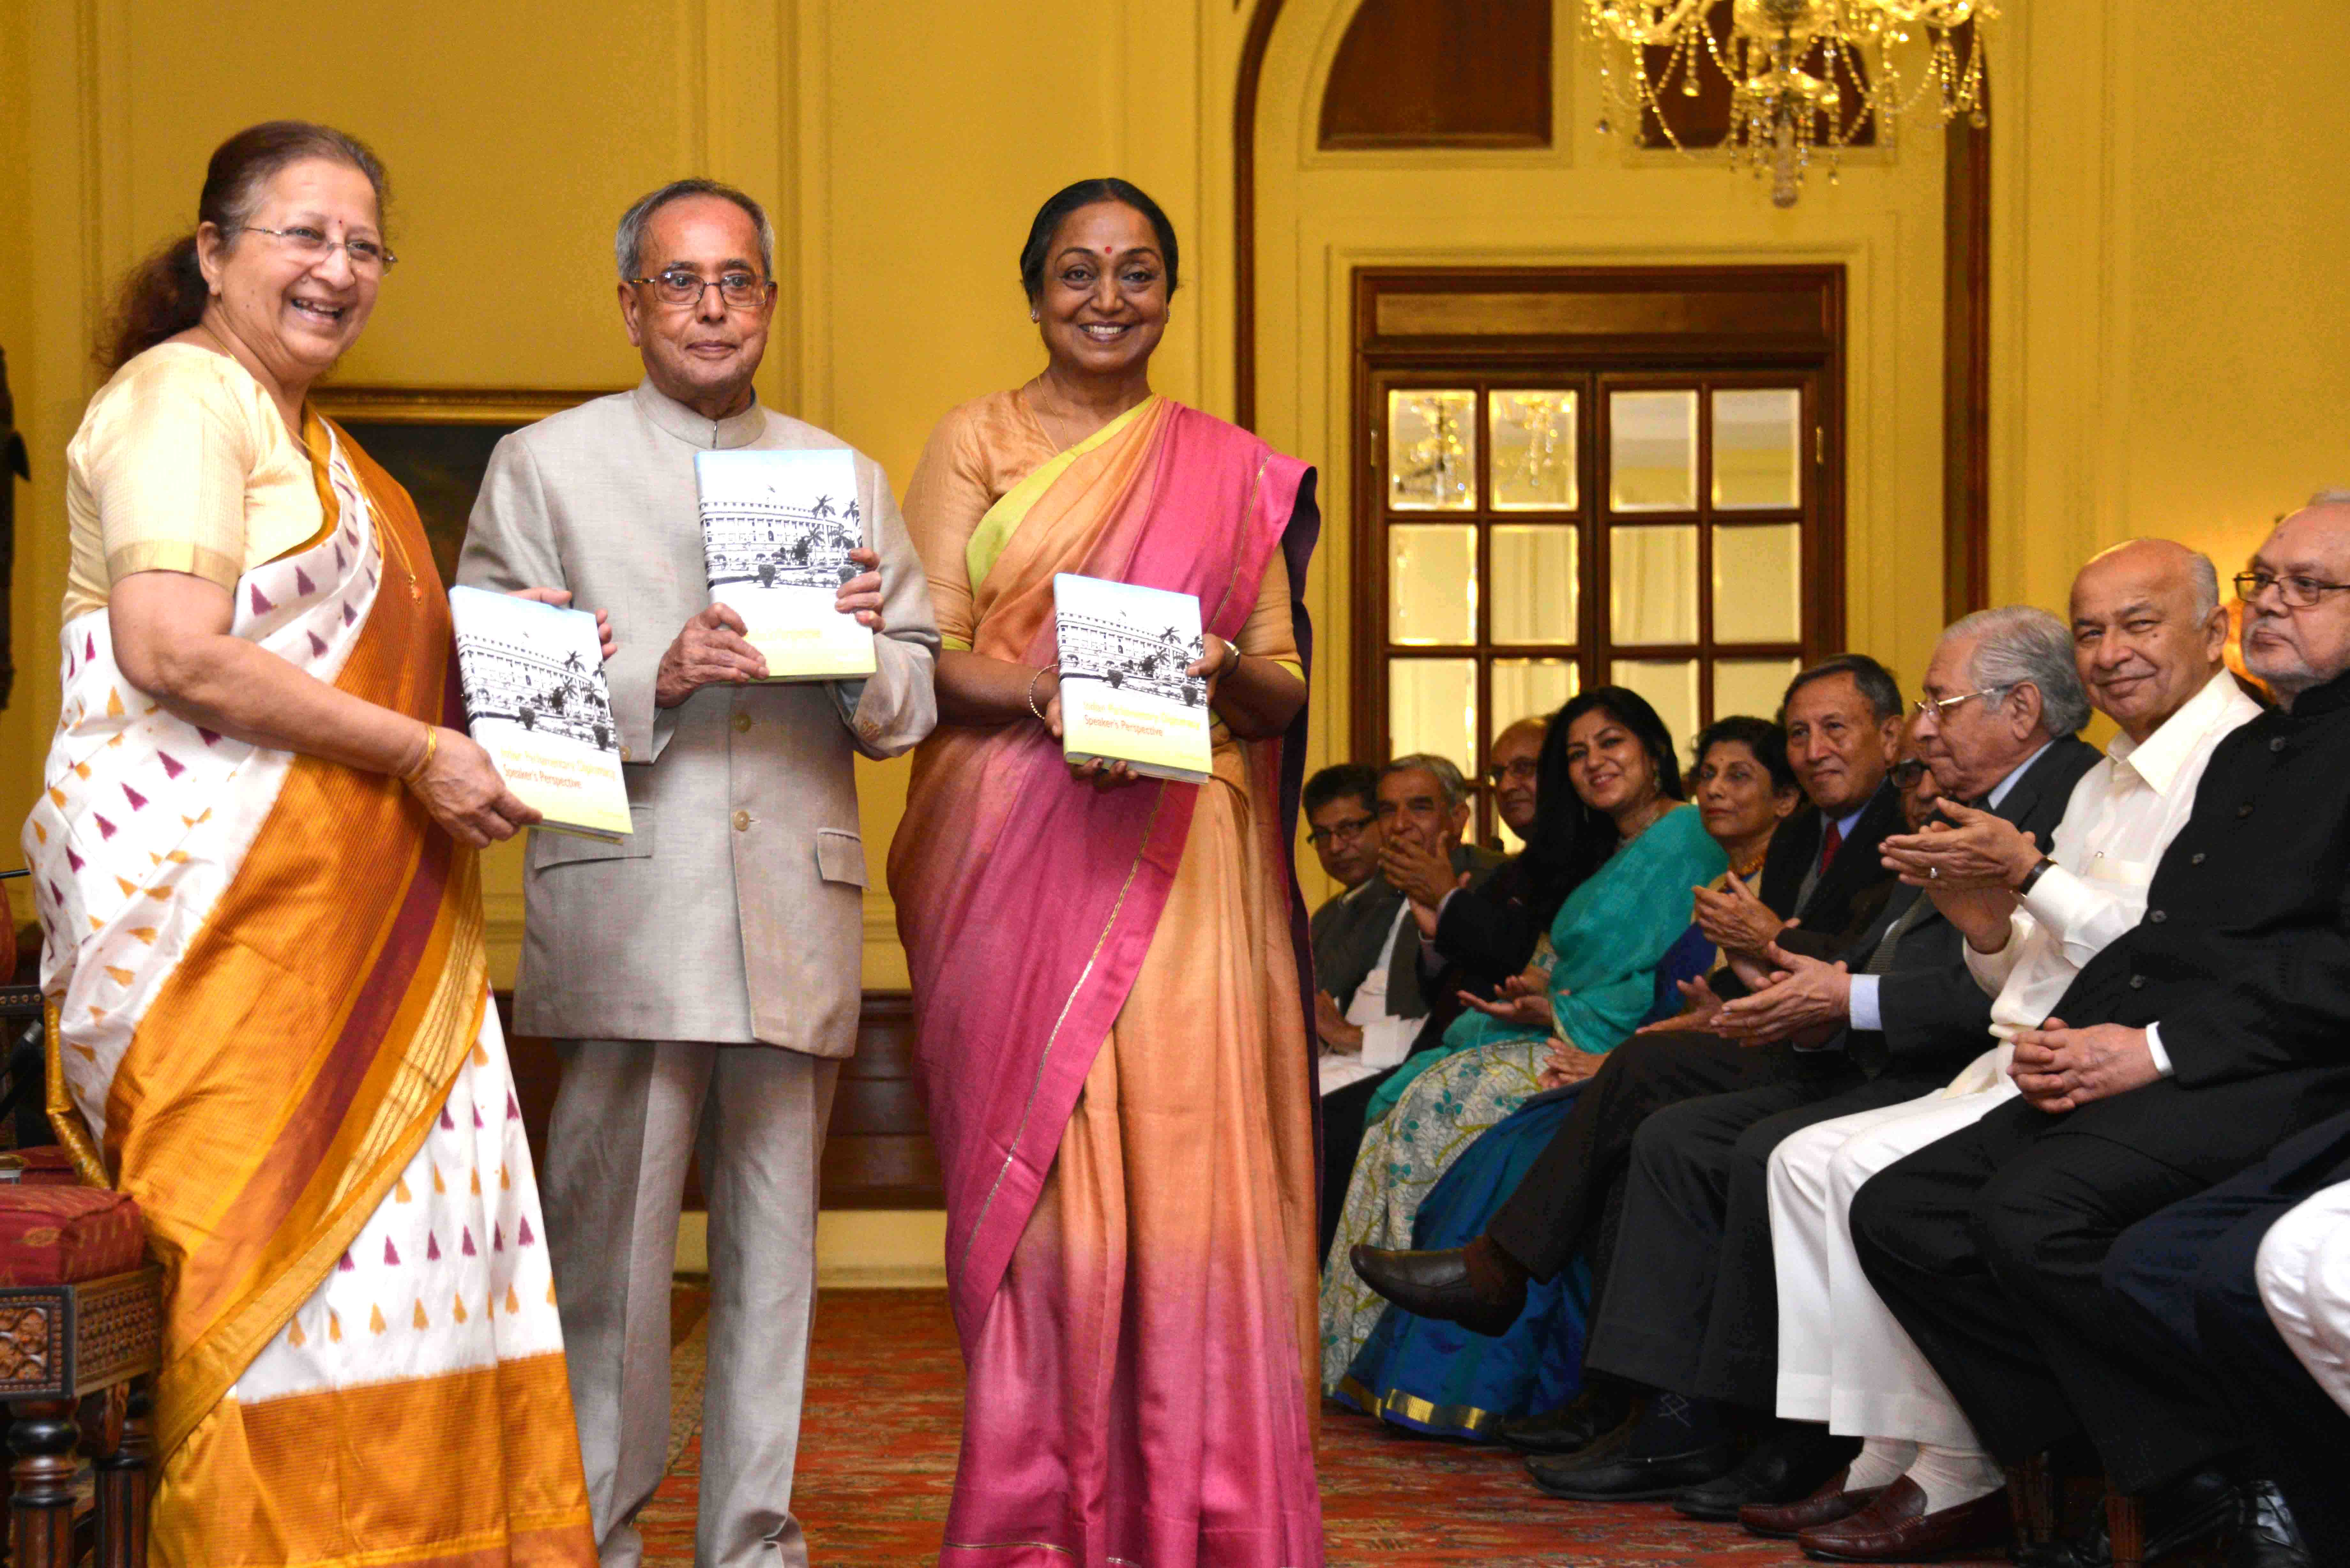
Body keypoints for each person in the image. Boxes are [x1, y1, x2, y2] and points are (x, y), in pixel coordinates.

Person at [18, 121, 595, 1568]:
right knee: (266, 1311)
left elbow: (360, 673)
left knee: (404, 1301)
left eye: (363, 245)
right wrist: (419, 747)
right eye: (301, 234)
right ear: (214, 250)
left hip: (368, 947)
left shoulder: (339, 463)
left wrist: (500, 659)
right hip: (227, 947)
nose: (336, 270)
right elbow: (171, 649)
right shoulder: (182, 401)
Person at [459, 177, 939, 1568]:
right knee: (609, 1261)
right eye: (680, 281)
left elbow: (908, 703)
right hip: (629, 901)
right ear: (630, 303)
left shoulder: (844, 474)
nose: (712, 306)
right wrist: (646, 675)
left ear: (771, 303)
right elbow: (504, 700)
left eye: (737, 281)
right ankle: (595, 1538)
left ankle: (752, 1544)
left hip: (795, 902)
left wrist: (864, 649)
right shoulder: (543, 466)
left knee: (776, 1265)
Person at [887, 178, 1323, 1566]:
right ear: (1033, 289)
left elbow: (1281, 685)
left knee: (1198, 1182)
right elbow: (931, 653)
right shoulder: (976, 439)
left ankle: (1205, 1512)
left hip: (1190, 857)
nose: (1107, 297)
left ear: (1170, 293)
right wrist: (1047, 702)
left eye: (1138, 272)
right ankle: (1042, 1517)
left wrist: (1217, 668)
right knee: (1054, 1179)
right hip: (1014, 837)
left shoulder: (1230, 466)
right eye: (1077, 272)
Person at [1847, 499, 2350, 1568]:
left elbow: (2330, 976)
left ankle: (2194, 1482)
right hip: (2178, 1041)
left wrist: (2153, 1049)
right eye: (2266, 578)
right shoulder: (2256, 746)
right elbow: (2170, 934)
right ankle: (2145, 1460)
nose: (2273, 603)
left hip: (2293, 1072)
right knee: (1903, 1211)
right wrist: (2072, 1029)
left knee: (2035, 1215)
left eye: (2310, 587)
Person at [1539, 609, 2104, 1516]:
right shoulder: (1969, 807)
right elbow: (1931, 955)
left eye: (1938, 705)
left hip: (1967, 1062)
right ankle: (1671, 1415)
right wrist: (1792, 992)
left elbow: (2009, 983)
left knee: (1766, 1146)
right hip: (1887, 1044)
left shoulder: (2069, 795)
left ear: (2022, 710)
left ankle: (1791, 1436)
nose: (1922, 729)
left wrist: (1829, 994)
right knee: (1677, 1132)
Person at [1758, 541, 2257, 1561]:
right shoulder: (2104, 779)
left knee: (1868, 1178)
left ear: (2215, 632)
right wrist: (1984, 917)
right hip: (2029, 1052)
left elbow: (2177, 955)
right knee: (1814, 1163)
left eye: (2138, 624)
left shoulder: (2238, 758)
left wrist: (2029, 872)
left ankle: (1974, 1462)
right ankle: (1886, 1452)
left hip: (2146, 1066)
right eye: (2092, 631)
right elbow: (2022, 976)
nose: (2110, 653)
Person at [1341, 653, 1918, 1457]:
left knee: (1608, 1105)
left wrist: (1713, 987)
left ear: (1891, 736)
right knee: (1590, 1105)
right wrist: (1697, 1006)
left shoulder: (1906, 821)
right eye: (1798, 732)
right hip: (1753, 1036)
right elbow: (1724, 974)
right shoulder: (1802, 838)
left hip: (1855, 1057)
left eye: (1833, 729)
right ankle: (1609, 1392)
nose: (1813, 749)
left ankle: (1513, 1286)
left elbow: (1843, 961)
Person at [1319, 688, 1726, 1386]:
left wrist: (1560, 1011)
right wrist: (1540, 995)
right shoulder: (1602, 852)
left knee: (1446, 1096)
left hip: (1627, 1041)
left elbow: (1657, 976)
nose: (1594, 762)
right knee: (1413, 1097)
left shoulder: (1689, 838)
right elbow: (1562, 962)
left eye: (1610, 743)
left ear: (1652, 750)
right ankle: (1356, 1345)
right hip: (1566, 1023)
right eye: (1577, 753)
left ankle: (1439, 1354)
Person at [1314, 755, 1504, 1253]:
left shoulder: (1488, 878)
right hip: (1351, 1055)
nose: (1400, 825)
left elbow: (1453, 1011)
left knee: (1322, 1121)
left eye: (1419, 808)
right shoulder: (1366, 898)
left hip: (1448, 1053)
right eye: (1388, 811)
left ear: (1458, 819)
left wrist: (1349, 1038)